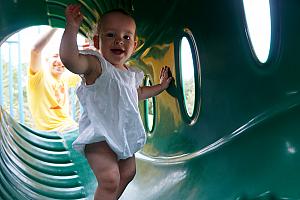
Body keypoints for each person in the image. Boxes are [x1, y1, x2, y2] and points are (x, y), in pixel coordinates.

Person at [59, 4, 173, 200]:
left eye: (126, 37)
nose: (119, 40)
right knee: (110, 179)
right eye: (110, 35)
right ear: (97, 40)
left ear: (134, 45)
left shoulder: (130, 73)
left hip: (124, 134)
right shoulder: (96, 65)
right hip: (99, 136)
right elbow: (70, 60)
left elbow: (138, 93)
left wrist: (161, 87)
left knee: (128, 173)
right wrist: (71, 28)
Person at [27, 28, 80, 132]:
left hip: (68, 126)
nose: (59, 61)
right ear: (47, 60)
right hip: (53, 129)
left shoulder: (64, 78)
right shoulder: (39, 77)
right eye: (55, 56)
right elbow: (35, 51)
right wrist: (54, 26)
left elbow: (87, 70)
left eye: (62, 58)